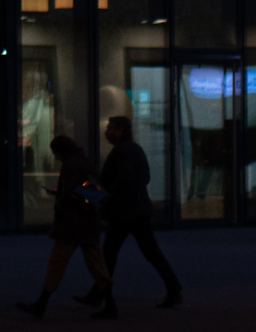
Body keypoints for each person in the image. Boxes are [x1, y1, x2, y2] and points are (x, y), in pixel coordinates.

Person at [77, 116, 182, 309]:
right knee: (148, 252)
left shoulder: (122, 151)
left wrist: (102, 194)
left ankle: (98, 293)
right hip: (137, 210)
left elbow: (121, 179)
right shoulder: (134, 149)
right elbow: (143, 177)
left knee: (110, 253)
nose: (106, 132)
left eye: (110, 129)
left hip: (124, 212)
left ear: (120, 131)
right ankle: (173, 288)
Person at [17, 136, 117, 320]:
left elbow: (70, 192)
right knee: (97, 265)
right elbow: (85, 188)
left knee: (57, 261)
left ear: (60, 150)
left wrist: (61, 198)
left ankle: (41, 303)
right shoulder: (83, 160)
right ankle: (110, 305)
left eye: (55, 152)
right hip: (88, 221)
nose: (55, 157)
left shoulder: (70, 164)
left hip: (74, 222)